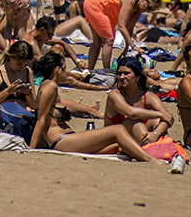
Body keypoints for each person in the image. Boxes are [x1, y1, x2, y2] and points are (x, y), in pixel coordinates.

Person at [30, 52, 163, 162]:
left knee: (119, 144)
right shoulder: (50, 86)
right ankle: (151, 159)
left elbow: (60, 107)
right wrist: (32, 149)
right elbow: (41, 119)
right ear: (57, 70)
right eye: (65, 68)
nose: (67, 72)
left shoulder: (48, 86)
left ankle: (143, 155)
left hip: (67, 139)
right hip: (62, 141)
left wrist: (91, 109)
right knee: (118, 130)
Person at [82, 0, 157, 71]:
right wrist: (133, 46)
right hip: (96, 5)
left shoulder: (138, 7)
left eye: (150, 10)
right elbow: (121, 26)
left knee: (97, 42)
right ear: (144, 0)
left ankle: (90, 70)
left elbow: (129, 28)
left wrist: (127, 48)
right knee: (109, 41)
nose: (147, 11)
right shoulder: (130, 0)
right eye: (149, 8)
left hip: (95, 4)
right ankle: (107, 71)